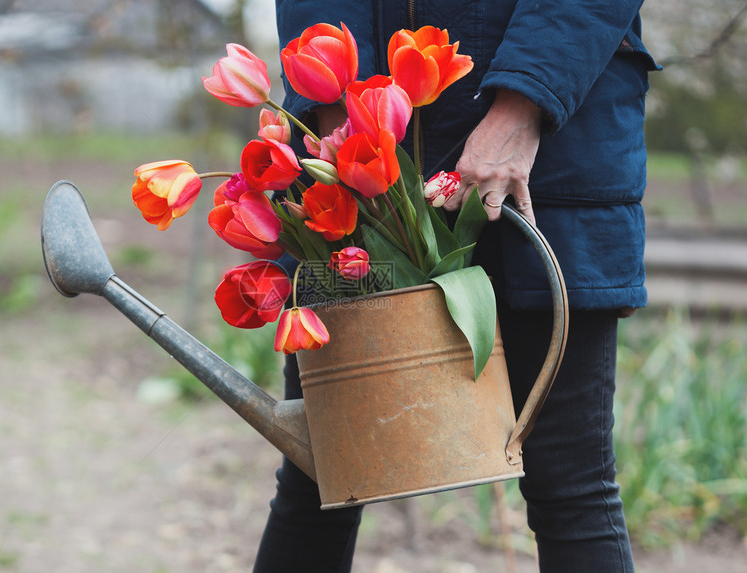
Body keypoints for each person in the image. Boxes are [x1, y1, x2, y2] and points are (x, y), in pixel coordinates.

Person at [254, 2, 659, 571]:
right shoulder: (348, 152)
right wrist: (342, 127)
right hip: (356, 177)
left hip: (554, 168)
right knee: (320, 478)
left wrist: (525, 101)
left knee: (571, 486)